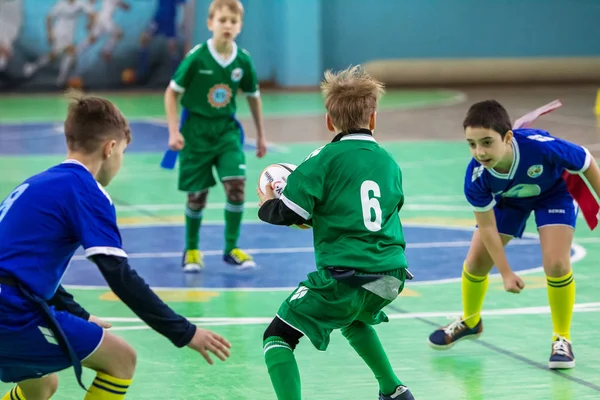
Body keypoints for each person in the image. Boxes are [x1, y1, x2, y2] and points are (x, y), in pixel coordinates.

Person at [0, 92, 231, 400]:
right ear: (110, 149)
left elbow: (19, 269)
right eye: (123, 152)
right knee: (121, 359)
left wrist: (79, 315)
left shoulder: (36, 184)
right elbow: (119, 275)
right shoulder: (84, 190)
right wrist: (184, 331)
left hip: (11, 300)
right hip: (11, 312)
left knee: (41, 385)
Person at [257, 66, 415, 400]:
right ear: (373, 119)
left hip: (345, 274)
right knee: (353, 317)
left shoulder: (322, 159)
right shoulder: (388, 162)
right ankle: (394, 389)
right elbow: (378, 215)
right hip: (392, 275)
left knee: (278, 337)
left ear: (329, 121)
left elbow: (288, 213)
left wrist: (267, 204)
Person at [428, 99, 600, 369]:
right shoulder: (476, 176)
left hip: (553, 195)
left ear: (507, 137)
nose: (479, 152)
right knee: (475, 262)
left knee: (556, 263)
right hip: (510, 200)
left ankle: (562, 339)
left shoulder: (539, 147)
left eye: (486, 142)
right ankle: (471, 321)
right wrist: (506, 272)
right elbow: (486, 227)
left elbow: (587, 161)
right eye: (472, 144)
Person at [164, 0, 267, 272]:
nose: (228, 26)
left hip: (226, 132)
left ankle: (231, 247)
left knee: (236, 186)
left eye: (233, 22)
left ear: (240, 26)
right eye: (222, 20)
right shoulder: (197, 57)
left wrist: (260, 136)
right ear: (210, 24)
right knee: (197, 196)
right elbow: (172, 93)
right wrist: (174, 132)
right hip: (195, 133)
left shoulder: (242, 60)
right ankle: (192, 249)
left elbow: (254, 98)